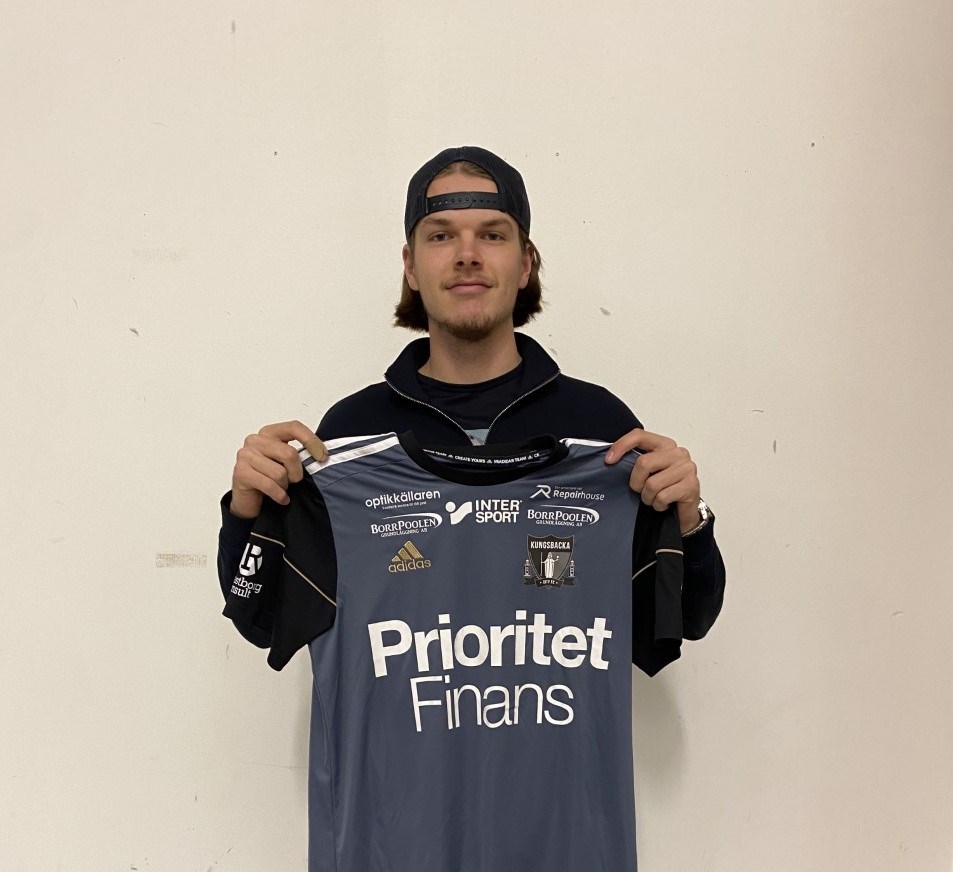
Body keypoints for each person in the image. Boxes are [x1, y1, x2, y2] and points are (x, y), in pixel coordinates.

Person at [218, 146, 725, 869]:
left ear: (525, 262)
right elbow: (260, 617)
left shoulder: (604, 436)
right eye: (441, 236)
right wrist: (247, 516)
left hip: (563, 849)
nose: (466, 255)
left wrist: (689, 523)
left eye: (492, 234)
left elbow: (682, 621)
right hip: (393, 848)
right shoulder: (347, 443)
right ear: (410, 264)